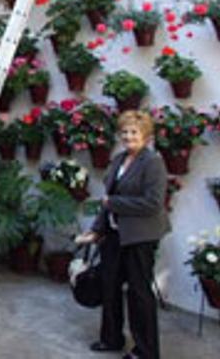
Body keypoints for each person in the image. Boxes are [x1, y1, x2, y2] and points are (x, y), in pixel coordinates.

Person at [76, 110, 170, 359]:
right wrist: (96, 230)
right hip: (115, 235)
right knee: (110, 287)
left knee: (139, 293)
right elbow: (107, 202)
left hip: (141, 237)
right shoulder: (118, 159)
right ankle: (111, 339)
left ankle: (145, 352)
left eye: (134, 132)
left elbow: (153, 203)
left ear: (147, 136)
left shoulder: (153, 163)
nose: (129, 136)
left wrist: (115, 203)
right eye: (125, 132)